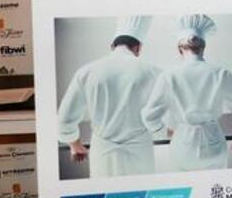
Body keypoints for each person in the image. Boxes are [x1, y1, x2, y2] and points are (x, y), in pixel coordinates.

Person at [141, 14, 232, 171]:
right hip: (214, 144)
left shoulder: (169, 76)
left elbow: (149, 116)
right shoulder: (220, 73)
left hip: (183, 146)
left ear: (179, 49)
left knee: (184, 190)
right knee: (216, 188)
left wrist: (165, 132)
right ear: (203, 47)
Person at [57, 16, 160, 178]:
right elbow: (169, 114)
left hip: (102, 153)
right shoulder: (153, 72)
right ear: (138, 47)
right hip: (141, 153)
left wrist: (75, 144)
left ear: (112, 46)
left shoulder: (87, 72)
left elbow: (64, 119)